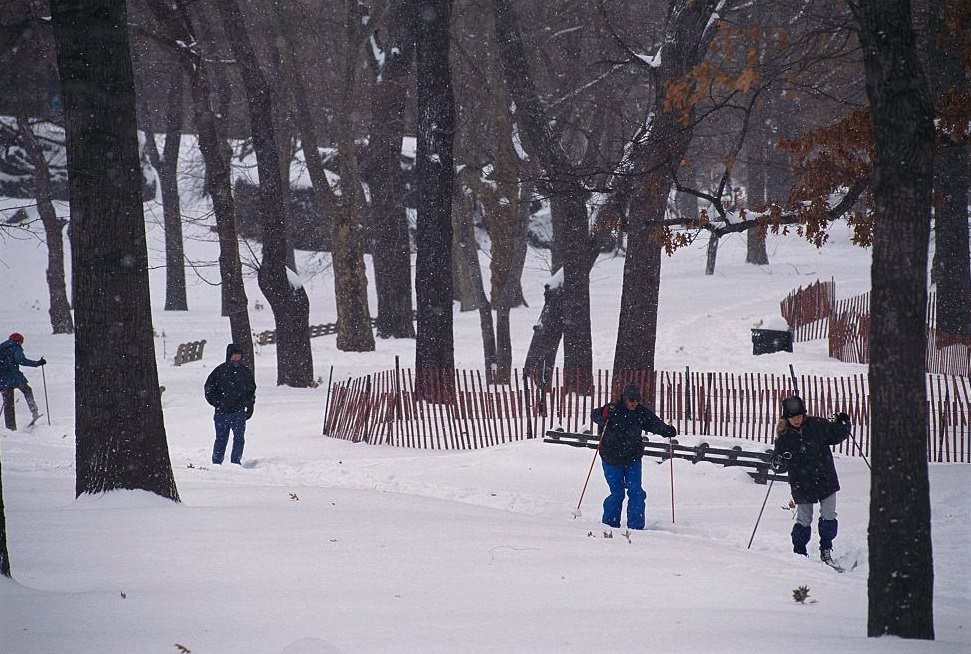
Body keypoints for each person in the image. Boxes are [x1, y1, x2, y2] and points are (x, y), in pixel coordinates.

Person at [772, 395, 851, 564]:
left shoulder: (817, 425)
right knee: (804, 519)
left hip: (825, 478)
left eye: (799, 416)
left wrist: (843, 421)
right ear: (786, 418)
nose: (797, 420)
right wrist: (778, 462)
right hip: (802, 483)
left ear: (804, 415)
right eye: (793, 417)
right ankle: (799, 553)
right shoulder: (784, 437)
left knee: (829, 516)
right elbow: (778, 465)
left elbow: (837, 435)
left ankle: (826, 549)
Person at [590, 383, 677, 530]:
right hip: (611, 458)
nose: (634, 402)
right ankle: (609, 526)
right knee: (617, 492)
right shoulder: (613, 409)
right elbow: (595, 415)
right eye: (631, 399)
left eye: (637, 400)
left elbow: (654, 423)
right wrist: (604, 413)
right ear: (624, 398)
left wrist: (666, 430)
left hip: (632, 458)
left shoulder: (641, 413)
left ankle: (636, 527)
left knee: (636, 491)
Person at [204, 344, 256, 465]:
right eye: (234, 356)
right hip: (222, 413)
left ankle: (235, 462)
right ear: (229, 356)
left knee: (239, 439)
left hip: (239, 412)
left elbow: (251, 390)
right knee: (221, 439)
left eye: (239, 356)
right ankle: (216, 463)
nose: (237, 358)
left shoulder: (245, 372)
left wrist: (250, 405)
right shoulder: (219, 371)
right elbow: (209, 389)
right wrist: (218, 403)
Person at [0, 332, 46, 428]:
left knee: (8, 404)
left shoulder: (1, 348)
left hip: (2, 380)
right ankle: (34, 411)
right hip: (14, 377)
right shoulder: (15, 347)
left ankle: (11, 427)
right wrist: (37, 363)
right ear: (19, 341)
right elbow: (21, 360)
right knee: (27, 390)